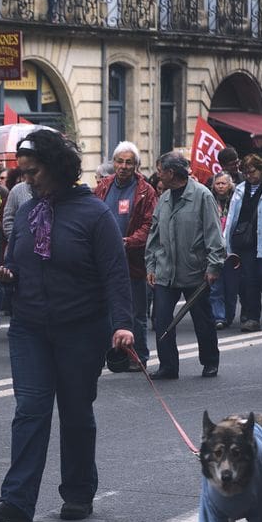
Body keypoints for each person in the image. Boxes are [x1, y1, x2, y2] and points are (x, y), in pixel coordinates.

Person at [0, 129, 133, 522]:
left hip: (80, 329)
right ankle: (16, 502)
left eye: (33, 173)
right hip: (30, 328)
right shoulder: (29, 213)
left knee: (76, 413)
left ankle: (78, 491)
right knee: (29, 411)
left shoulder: (95, 215)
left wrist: (123, 326)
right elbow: (19, 262)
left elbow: (116, 276)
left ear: (57, 168)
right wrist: (7, 277)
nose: (27, 181)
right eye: (23, 174)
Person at [146, 153, 226, 379]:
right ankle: (168, 366)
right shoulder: (164, 198)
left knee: (203, 320)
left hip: (195, 271)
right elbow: (154, 236)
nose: (158, 175)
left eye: (160, 170)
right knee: (162, 320)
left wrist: (214, 267)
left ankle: (210, 361)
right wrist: (151, 266)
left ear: (171, 173)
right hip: (165, 272)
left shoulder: (202, 196)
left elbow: (214, 235)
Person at [94, 141, 157, 368]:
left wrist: (128, 242)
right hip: (105, 259)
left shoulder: (146, 191)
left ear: (136, 166)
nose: (123, 166)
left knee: (136, 312)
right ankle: (113, 355)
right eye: (119, 161)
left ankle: (138, 356)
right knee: (106, 309)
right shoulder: (103, 186)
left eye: (129, 162)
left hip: (133, 261)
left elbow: (150, 225)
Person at [223, 154, 262, 331]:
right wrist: (227, 241)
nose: (250, 176)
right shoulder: (241, 189)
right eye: (246, 173)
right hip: (246, 243)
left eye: (253, 172)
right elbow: (231, 218)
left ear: (261, 169)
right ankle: (252, 317)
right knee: (248, 281)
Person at [208, 171, 236, 329]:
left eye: (223, 183)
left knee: (231, 287)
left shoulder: (236, 199)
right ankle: (219, 317)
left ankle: (229, 314)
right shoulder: (209, 200)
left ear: (229, 185)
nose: (220, 186)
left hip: (231, 251)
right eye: (217, 183)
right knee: (215, 286)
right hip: (215, 250)